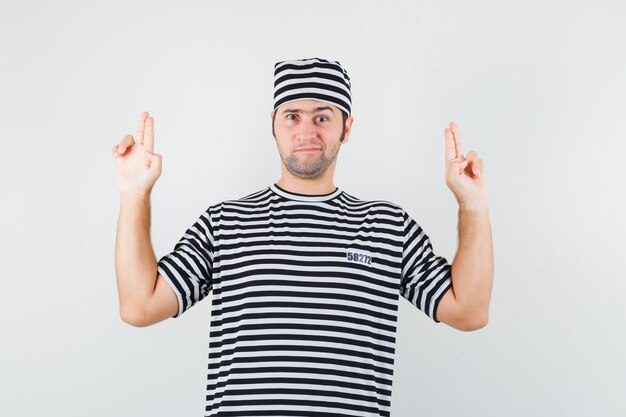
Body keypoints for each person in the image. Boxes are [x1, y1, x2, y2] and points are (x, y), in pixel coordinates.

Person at [112, 57, 494, 417]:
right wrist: (135, 193)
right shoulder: (226, 221)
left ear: (347, 127)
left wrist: (472, 206)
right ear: (273, 124)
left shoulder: (388, 225)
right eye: (292, 116)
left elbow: (468, 312)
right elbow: (139, 307)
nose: (306, 131)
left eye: (323, 117)